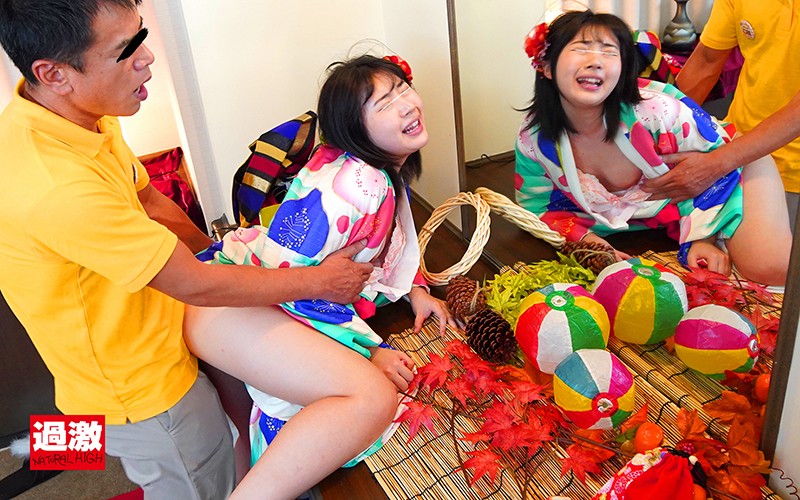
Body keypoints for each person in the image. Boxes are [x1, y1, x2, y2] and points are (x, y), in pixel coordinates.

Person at [0, 0, 381, 498]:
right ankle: (51, 447)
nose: (147, 58)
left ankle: (48, 444)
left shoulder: (82, 115)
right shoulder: (57, 187)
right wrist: (318, 281)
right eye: (125, 50)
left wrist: (224, 251)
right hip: (143, 384)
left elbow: (150, 202)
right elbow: (194, 282)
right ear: (55, 74)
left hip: (165, 320)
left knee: (233, 431)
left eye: (141, 36)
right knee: (203, 473)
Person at [184, 53, 454, 497]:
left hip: (246, 291)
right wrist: (370, 351)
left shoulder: (373, 173)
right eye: (385, 103)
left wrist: (416, 288)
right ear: (354, 128)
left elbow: (390, 245)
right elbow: (301, 285)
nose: (407, 105)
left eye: (403, 89)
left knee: (247, 442)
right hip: (244, 301)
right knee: (350, 406)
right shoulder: (354, 189)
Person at [514, 10, 791, 286]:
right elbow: (537, 207)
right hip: (662, 214)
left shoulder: (659, 114)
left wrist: (702, 238)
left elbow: (714, 163)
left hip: (732, 168)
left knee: (770, 269)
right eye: (581, 49)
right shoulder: (534, 140)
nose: (595, 62)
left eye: (609, 52)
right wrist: (592, 244)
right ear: (546, 66)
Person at [642, 0, 800, 226]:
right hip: (736, 151)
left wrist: (714, 165)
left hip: (787, 173)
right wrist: (649, 136)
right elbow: (706, 61)